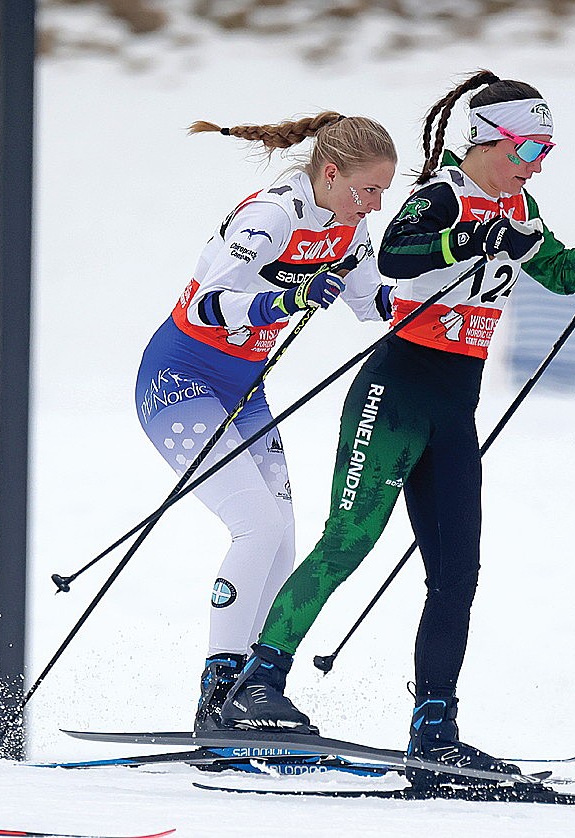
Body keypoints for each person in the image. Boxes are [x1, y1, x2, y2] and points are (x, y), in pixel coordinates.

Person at [219, 70, 575, 785]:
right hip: (395, 391)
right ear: (489, 141)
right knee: (350, 539)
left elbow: (557, 273)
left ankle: (435, 730)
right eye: (528, 146)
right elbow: (398, 253)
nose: (537, 161)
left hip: (455, 408)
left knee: (457, 573)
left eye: (547, 148)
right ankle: (256, 686)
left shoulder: (521, 201)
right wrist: (477, 236)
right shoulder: (443, 195)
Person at [134, 111, 398, 733]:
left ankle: (252, 690)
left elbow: (377, 304)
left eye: (384, 193)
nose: (375, 205)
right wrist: (285, 298)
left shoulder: (349, 226)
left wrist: (459, 284)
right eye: (368, 190)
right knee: (253, 525)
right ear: (329, 173)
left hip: (243, 388)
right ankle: (216, 693)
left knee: (281, 532)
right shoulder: (273, 215)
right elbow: (205, 302)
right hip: (180, 380)